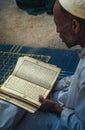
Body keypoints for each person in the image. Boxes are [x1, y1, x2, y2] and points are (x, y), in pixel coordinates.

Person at [0, 0, 85, 130]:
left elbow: (80, 126)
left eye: (58, 24)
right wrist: (51, 85)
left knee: (20, 113)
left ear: (75, 26)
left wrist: (56, 109)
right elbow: (75, 81)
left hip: (68, 122)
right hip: (68, 101)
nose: (57, 31)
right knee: (16, 102)